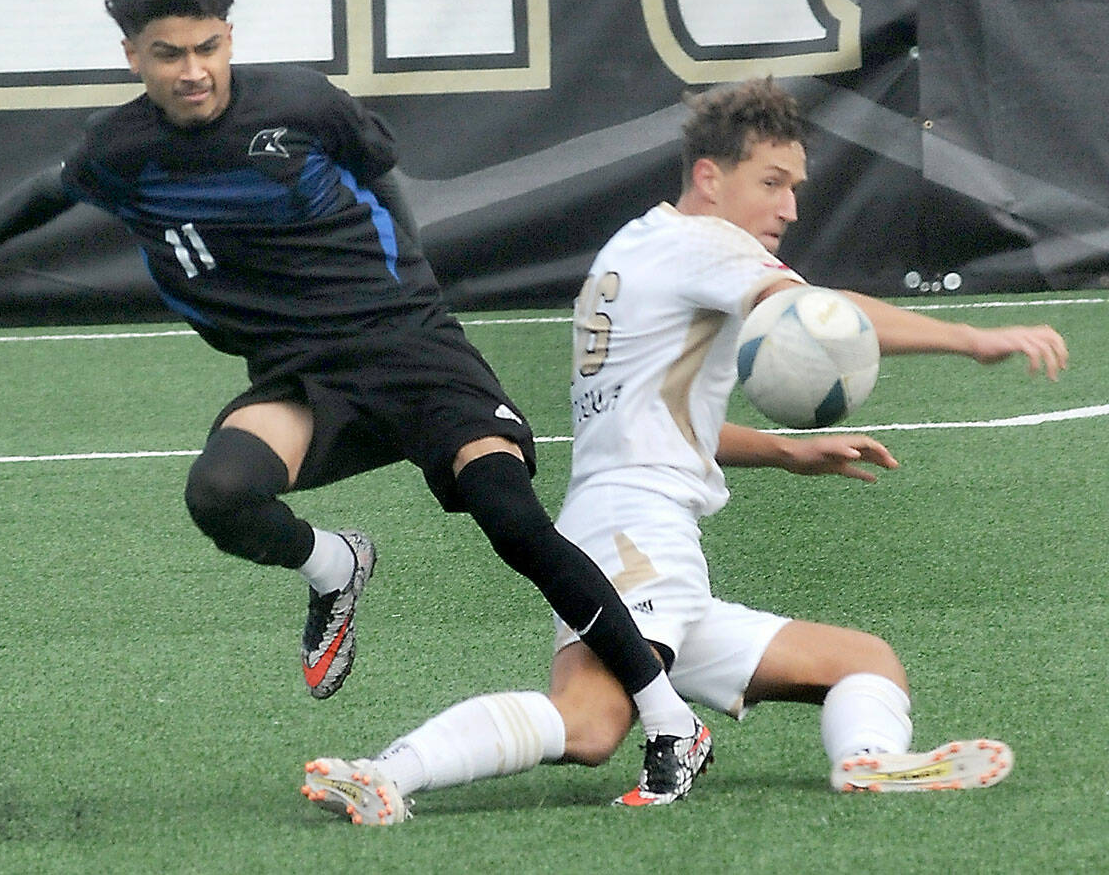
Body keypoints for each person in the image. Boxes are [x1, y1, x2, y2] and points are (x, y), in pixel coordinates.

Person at [0, 0, 714, 802]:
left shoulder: (302, 103)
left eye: (208, 47)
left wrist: (413, 285)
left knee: (509, 515)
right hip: (303, 375)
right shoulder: (120, 148)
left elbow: (382, 172)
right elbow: (41, 193)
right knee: (219, 494)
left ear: (229, 39)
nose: (194, 71)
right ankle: (334, 565)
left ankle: (672, 719)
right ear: (133, 57)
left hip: (412, 349)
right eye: (169, 54)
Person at [301, 76, 1068, 824]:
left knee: (864, 661)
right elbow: (821, 315)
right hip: (637, 532)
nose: (789, 207)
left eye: (796, 187)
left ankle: (868, 759)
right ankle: (385, 772)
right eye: (772, 182)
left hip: (633, 527)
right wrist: (973, 339)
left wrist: (785, 451)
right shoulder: (704, 244)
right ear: (710, 176)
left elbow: (653, 420)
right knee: (591, 722)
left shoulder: (635, 246)